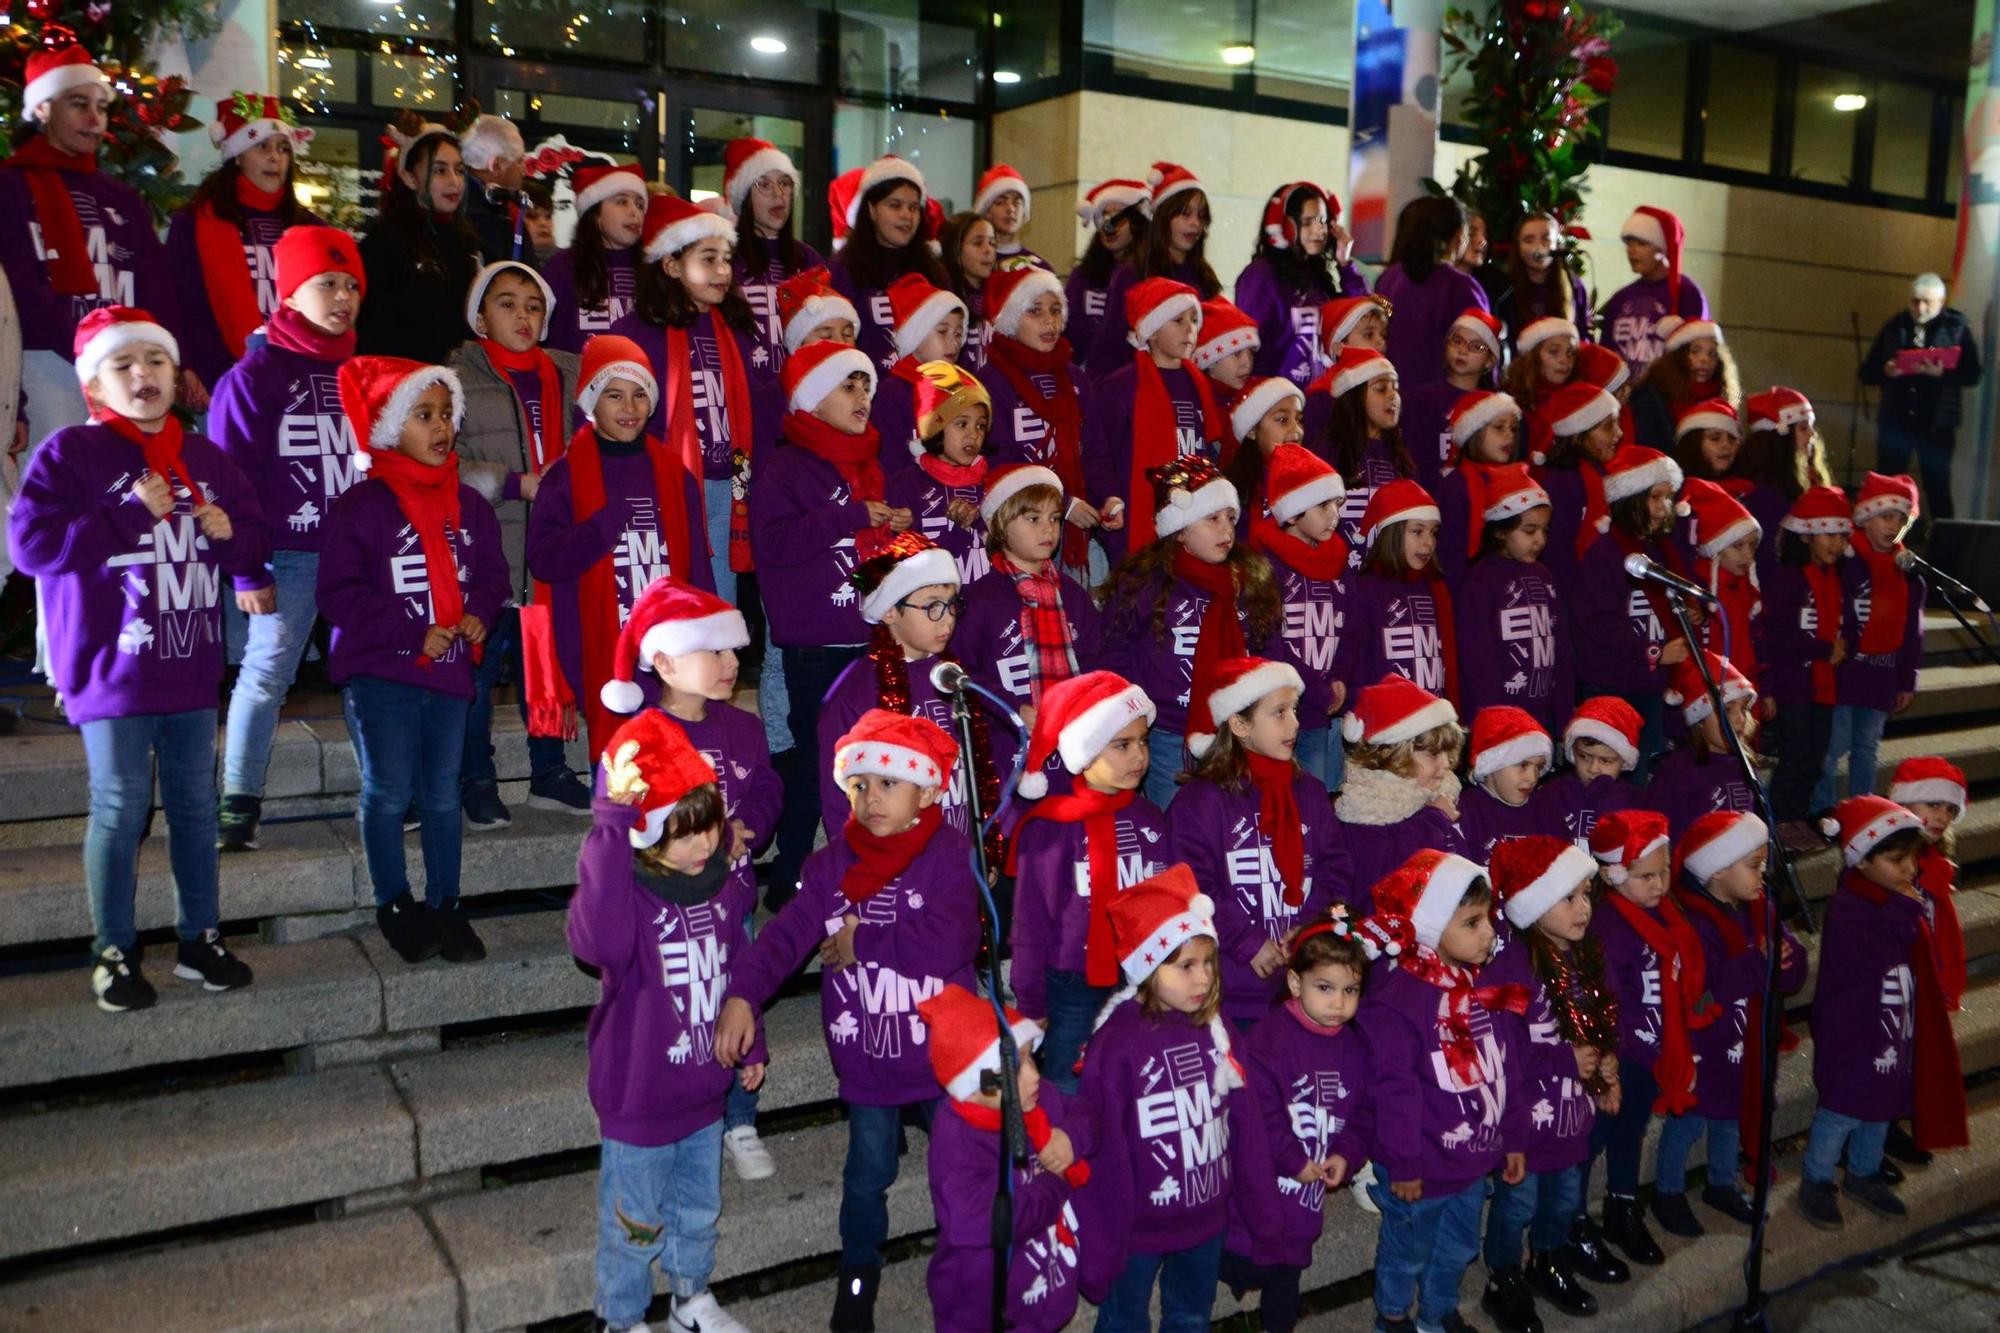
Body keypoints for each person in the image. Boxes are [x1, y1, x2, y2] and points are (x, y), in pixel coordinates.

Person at [8, 307, 268, 1011]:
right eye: (123, 365)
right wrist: (127, 513)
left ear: (175, 375)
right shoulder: (71, 453)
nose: (142, 376)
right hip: (112, 670)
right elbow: (31, 549)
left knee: (192, 806)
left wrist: (230, 537)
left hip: (188, 664)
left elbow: (251, 546)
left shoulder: (205, 457)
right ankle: (114, 949)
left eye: (155, 361)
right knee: (121, 807)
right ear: (95, 382)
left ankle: (200, 938)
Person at [717, 710, 981, 1331]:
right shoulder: (832, 866)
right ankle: (858, 1278)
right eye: (859, 785)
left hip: (944, 1059)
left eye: (889, 783)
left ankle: (967, 1276)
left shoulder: (947, 855)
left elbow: (954, 940)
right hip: (870, 1060)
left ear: (927, 791)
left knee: (960, 1175)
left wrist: (867, 944)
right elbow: (785, 938)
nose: (870, 797)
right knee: (867, 1178)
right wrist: (742, 993)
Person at [571, 709, 761, 1333]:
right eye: (684, 833)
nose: (704, 843)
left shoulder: (724, 885)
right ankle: (621, 1318)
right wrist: (608, 830)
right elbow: (596, 941)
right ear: (647, 836)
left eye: (708, 826)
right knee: (633, 1222)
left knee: (698, 1209)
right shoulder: (628, 895)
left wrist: (749, 1033)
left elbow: (738, 966)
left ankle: (690, 1299)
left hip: (704, 1094)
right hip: (640, 1096)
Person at [595, 575, 784, 1183]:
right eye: (716, 651)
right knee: (684, 1010)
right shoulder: (639, 739)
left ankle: (741, 1117)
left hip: (734, 901)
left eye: (734, 651)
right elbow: (616, 825)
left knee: (738, 1000)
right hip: (664, 915)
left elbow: (766, 787)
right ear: (667, 661)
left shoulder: (743, 729)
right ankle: (682, 1113)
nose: (733, 663)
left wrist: (747, 822)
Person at [320, 355, 509, 964]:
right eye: (423, 414)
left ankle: (445, 903)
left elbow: (491, 575)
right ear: (388, 426)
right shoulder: (362, 506)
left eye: (446, 414)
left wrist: (479, 611)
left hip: (451, 673)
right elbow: (339, 594)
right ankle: (394, 901)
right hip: (384, 675)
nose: (440, 426)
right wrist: (410, 630)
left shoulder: (471, 506)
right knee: (388, 790)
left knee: (440, 792)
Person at [210, 228, 367, 852]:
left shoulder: (361, 371)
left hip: (358, 553)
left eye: (352, 285)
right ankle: (240, 799)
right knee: (267, 671)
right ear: (290, 293)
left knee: (367, 671)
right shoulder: (254, 376)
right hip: (290, 554)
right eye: (327, 283)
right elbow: (230, 481)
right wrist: (248, 569)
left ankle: (384, 790)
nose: (342, 296)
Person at [747, 340, 904, 905]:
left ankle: (865, 863)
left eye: (866, 385)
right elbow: (775, 544)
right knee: (818, 763)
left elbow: (866, 565)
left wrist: (894, 545)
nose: (863, 396)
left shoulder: (869, 464)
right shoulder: (786, 467)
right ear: (813, 399)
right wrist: (850, 516)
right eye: (848, 385)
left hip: (866, 638)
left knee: (868, 760)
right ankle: (789, 871)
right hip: (814, 643)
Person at [1074, 863, 1252, 1333]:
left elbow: (1244, 1123)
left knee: (1191, 1315)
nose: (1202, 979)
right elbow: (1103, 1143)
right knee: (1123, 1320)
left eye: (1208, 963)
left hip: (1206, 1217)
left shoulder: (1216, 1027)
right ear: (1149, 968)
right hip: (1140, 1227)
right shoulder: (1118, 1043)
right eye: (1186, 965)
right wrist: (1104, 1236)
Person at [1361, 850, 1528, 1333]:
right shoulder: (1399, 1003)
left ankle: (1438, 1313)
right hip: (1421, 1164)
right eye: (1472, 923)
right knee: (1407, 1251)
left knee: (1458, 1248)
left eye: (1488, 920)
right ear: (1431, 927)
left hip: (1471, 1162)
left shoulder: (1480, 991)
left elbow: (1505, 1069)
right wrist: (1405, 1162)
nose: (1490, 933)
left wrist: (1513, 1137)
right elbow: (1394, 1091)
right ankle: (1394, 1316)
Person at [524, 334, 710, 761]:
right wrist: (601, 527)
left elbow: (696, 563)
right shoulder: (566, 478)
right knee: (619, 763)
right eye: (614, 395)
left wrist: (707, 633)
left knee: (671, 755)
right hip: (599, 644)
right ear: (591, 401)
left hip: (667, 642)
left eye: (640, 395)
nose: (629, 408)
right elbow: (544, 558)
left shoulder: (673, 473)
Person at [448, 260, 587, 825]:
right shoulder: (456, 378)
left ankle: (550, 771)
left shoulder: (572, 373)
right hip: (491, 549)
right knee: (479, 674)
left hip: (555, 550)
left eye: (533, 306)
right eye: (506, 303)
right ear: (480, 317)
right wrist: (516, 483)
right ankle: (476, 778)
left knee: (545, 666)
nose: (523, 315)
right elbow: (440, 463)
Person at [1799, 796, 1968, 1230]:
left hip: (1891, 1027)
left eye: (1911, 859)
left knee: (1880, 1107)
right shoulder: (1849, 908)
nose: (1909, 869)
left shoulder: (1892, 899)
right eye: (1896, 860)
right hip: (1852, 1034)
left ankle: (1864, 1172)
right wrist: (1907, 909)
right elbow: (1871, 960)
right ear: (1862, 860)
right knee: (1840, 1110)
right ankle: (1817, 1179)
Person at [0, 42, 182, 440]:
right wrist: (86, 349)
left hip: (123, 364)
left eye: (101, 107)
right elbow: (18, 289)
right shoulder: (11, 187)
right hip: (45, 362)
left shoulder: (123, 199)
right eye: (78, 103)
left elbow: (154, 284)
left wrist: (157, 353)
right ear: (43, 109)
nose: (93, 118)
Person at [1482, 837, 1623, 1325]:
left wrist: (1606, 1067)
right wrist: (1566, 1059)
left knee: (1564, 1199)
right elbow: (1504, 1049)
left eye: (1587, 895)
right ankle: (1504, 1275)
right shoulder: (1512, 970)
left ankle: (1546, 1259)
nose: (1583, 908)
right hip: (1526, 1121)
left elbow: (1600, 1027)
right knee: (1517, 1204)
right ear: (1535, 903)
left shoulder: (1585, 961)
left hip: (1572, 1117)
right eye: (1568, 897)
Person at [1170, 654, 1350, 1028]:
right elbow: (1190, 884)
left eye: (1295, 710)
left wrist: (1307, 928)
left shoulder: (1309, 793)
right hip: (1230, 992)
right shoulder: (1201, 802)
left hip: (1301, 989)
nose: (1296, 723)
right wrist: (1246, 942)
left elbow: (1337, 868)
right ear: (1238, 723)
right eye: (1279, 712)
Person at [1005, 671, 1164, 1091]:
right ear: (1087, 752)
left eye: (1143, 742)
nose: (1139, 757)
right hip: (1072, 983)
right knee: (1066, 1079)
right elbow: (1030, 925)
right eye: (1122, 745)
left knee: (1132, 1077)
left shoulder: (1150, 819)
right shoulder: (1051, 829)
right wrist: (1031, 999)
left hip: (1140, 977)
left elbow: (1168, 904)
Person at [1096, 456, 1283, 808]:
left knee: (1232, 823)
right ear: (1179, 529)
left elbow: (1269, 651)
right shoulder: (1145, 584)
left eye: (1230, 518)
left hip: (1238, 733)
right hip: (1169, 732)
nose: (1226, 530)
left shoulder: (1249, 581)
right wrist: (1136, 710)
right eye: (1212, 519)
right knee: (1177, 821)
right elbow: (1116, 654)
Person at [1220, 914, 1373, 1333]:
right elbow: (1258, 1116)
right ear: (1294, 984)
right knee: (1242, 1256)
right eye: (1324, 988)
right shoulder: (1268, 1041)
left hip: (1305, 1198)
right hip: (1258, 1191)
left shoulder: (1356, 1047)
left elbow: (1363, 1113)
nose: (1338, 1003)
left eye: (1350, 990)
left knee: (1286, 1278)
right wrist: (1292, 1160)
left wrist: (1347, 1153)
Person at [609, 193, 763, 602]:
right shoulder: (634, 334)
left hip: (726, 488)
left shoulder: (734, 329)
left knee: (718, 602)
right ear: (672, 264)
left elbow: (753, 411)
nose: (722, 270)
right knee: (669, 600)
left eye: (726, 259)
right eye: (708, 259)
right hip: (664, 487)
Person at [1657, 812, 1804, 1238]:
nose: (1764, 873)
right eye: (1754, 865)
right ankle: (1668, 1190)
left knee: (1729, 1117)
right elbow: (1709, 986)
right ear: (1717, 871)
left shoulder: (1761, 910)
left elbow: (1791, 968)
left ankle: (1721, 1183)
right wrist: (1761, 961)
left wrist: (1782, 963)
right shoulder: (1696, 921)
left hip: (1746, 1040)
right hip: (1706, 1042)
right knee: (1687, 1122)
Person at [920, 984, 1093, 1333]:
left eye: (1031, 1057)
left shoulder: (1037, 1099)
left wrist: (1071, 1139)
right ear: (975, 1083)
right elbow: (982, 1221)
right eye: (1013, 1068)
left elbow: (1088, 1114)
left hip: (1043, 1287)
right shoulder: (960, 1140)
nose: (1033, 1075)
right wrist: (1054, 1185)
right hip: (983, 1308)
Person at [815, 530, 1003, 852]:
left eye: (951, 605)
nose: (946, 620)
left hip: (958, 853)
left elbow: (980, 767)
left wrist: (986, 846)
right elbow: (840, 797)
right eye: (932, 607)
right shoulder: (857, 693)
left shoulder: (955, 676)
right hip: (897, 862)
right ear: (890, 611)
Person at [1580, 809, 1711, 1268]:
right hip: (1623, 1054)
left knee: (1631, 1132)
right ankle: (1573, 1218)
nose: (1658, 885)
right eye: (1645, 876)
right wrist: (1624, 1050)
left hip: (1654, 1048)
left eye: (1664, 873)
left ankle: (1622, 1205)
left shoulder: (1667, 917)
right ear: (1614, 875)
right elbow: (1609, 997)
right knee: (1595, 1137)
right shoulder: (1609, 926)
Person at [165, 93, 319, 390]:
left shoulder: (310, 228)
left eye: (283, 148)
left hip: (300, 376)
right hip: (221, 377)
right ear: (237, 155)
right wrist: (186, 365)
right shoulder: (194, 223)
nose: (275, 157)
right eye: (262, 147)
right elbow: (181, 303)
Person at [980, 263, 1111, 583]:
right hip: (1022, 528)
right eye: (1034, 311)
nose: (1049, 320)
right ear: (1011, 321)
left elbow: (1094, 453)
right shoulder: (991, 382)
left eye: (1055, 310)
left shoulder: (1076, 380)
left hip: (1077, 532)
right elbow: (999, 461)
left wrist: (1110, 496)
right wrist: (1063, 504)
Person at [955, 463, 1105, 736]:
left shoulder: (1071, 595)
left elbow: (1094, 660)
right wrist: (1011, 708)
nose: (1048, 529)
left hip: (1072, 734)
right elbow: (965, 674)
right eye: (1033, 519)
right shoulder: (979, 599)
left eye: (1055, 518)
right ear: (1000, 524)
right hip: (1005, 740)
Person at [1569, 445, 1691, 780]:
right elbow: (1597, 622)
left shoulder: (1659, 550)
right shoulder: (1606, 554)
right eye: (1655, 497)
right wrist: (1654, 651)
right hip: (1615, 682)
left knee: (1646, 768)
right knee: (1617, 773)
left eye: (1668, 498)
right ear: (1631, 498)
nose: (1663, 508)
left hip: (1651, 681)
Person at [1087, 278, 1228, 565]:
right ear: (1151, 332)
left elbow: (1212, 451)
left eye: (1193, 320)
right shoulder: (1122, 387)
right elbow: (1099, 455)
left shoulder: (1201, 384)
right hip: (1139, 515)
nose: (1190, 329)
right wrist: (1110, 497)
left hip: (1193, 516)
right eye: (1178, 320)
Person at [1813, 473, 1925, 813]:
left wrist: (1906, 679)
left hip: (1883, 672)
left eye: (1901, 520)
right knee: (1834, 746)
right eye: (1885, 517)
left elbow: (1912, 632)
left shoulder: (1907, 570)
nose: (1893, 527)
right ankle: (1824, 810)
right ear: (1865, 517)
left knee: (1867, 747)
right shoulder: (1845, 562)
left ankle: (1862, 809)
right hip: (1847, 671)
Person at [1245, 442, 1349, 790]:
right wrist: (1315, 689)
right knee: (1287, 796)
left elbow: (1353, 629)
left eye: (1337, 503)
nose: (1334, 514)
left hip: (1328, 708)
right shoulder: (1266, 568)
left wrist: (1339, 679)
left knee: (1321, 796)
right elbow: (1268, 642)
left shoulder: (1339, 562)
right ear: (1291, 514)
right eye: (1322, 505)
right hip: (1287, 708)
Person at [1759, 486, 1851, 842]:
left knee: (1815, 757)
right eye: (1829, 534)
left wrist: (1841, 646)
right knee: (1795, 756)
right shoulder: (1790, 578)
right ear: (1808, 534)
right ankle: (1780, 819)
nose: (1837, 543)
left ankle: (1797, 816)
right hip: (1795, 684)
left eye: (1843, 536)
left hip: (1823, 684)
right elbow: (1779, 636)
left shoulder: (1834, 578)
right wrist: (1824, 648)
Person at [1455, 463, 1573, 735]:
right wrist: (1496, 718)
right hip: (1498, 720)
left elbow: (1561, 649)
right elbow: (1477, 658)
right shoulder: (1481, 581)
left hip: (1540, 716)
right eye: (1530, 531)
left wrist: (1564, 713)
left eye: (1545, 530)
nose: (1540, 540)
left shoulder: (1546, 577)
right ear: (1500, 531)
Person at [1331, 676, 1467, 912]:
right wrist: (1434, 819)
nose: (1446, 764)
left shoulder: (1444, 794)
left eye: (1448, 753)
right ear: (1395, 755)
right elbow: (1393, 878)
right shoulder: (1367, 810)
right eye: (1433, 754)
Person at [1859, 272, 1983, 522]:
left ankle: (1945, 551)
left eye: (1928, 302)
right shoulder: (1895, 325)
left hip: (1936, 423)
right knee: (1888, 484)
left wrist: (1943, 373)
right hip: (1896, 419)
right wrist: (1886, 369)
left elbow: (1972, 373)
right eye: (1915, 301)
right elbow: (1867, 372)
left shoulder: (1956, 327)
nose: (1920, 307)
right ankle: (1883, 546)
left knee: (1937, 486)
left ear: (1941, 301)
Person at [356, 119, 481, 364]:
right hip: (403, 383)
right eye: (439, 170)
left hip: (459, 382)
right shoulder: (384, 241)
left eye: (459, 170)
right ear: (409, 177)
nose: (454, 181)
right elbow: (372, 329)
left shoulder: (468, 239)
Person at [1084, 162, 1223, 381]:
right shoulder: (1133, 273)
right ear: (1162, 217)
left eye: (1201, 216)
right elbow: (1107, 351)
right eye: (1185, 214)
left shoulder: (1203, 275)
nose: (1195, 223)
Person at [1330, 479, 1457, 705]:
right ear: (1391, 534)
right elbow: (1353, 655)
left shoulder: (1435, 588)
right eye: (1417, 532)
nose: (1428, 543)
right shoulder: (1367, 590)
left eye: (1433, 533)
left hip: (1432, 717)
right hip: (1386, 724)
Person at [1232, 181, 1369, 389]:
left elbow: (1371, 316)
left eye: (1323, 220)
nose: (1319, 229)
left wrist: (1345, 265)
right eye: (1308, 222)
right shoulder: (1260, 276)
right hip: (1277, 405)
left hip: (1317, 403)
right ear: (1281, 227)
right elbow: (1249, 349)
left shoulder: (1320, 277)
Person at [829, 155, 951, 372]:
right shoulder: (842, 271)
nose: (906, 216)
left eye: (913, 208)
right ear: (871, 210)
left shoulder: (934, 273)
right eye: (895, 205)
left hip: (926, 395)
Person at [884, 360, 993, 584]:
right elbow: (890, 565)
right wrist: (957, 531)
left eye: (980, 425)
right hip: (931, 610)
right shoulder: (906, 486)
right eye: (962, 424)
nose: (973, 435)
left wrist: (981, 524)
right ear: (936, 429)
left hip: (987, 609)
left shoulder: (993, 483)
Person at [722, 137, 823, 376]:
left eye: (785, 183)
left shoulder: (809, 260)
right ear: (744, 197)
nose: (778, 194)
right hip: (743, 393)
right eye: (764, 185)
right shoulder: (724, 258)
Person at [1371, 195, 1491, 392]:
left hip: (1391, 396)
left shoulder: (1389, 278)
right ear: (1460, 236)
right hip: (1445, 403)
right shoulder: (1462, 287)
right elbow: (1481, 350)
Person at [1316, 346, 1414, 566]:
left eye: (1395, 388)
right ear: (1354, 397)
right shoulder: (1327, 451)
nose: (1393, 396)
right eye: (1381, 389)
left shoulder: (1402, 456)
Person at [541, 163, 648, 354]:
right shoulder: (562, 268)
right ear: (594, 214)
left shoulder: (653, 270)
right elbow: (550, 341)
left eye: (640, 205)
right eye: (622, 202)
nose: (635, 212)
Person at [869, 272, 969, 476]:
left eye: (958, 333)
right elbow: (889, 463)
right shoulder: (892, 394)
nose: (954, 343)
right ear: (916, 336)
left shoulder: (961, 390)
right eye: (942, 331)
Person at [1528, 381, 1622, 589]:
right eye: (1608, 427)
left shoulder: (1600, 473)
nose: (1619, 433)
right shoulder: (1563, 481)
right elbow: (1558, 548)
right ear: (1579, 434)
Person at [1401, 308, 1502, 492]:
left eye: (1476, 346)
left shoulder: (1494, 407)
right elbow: (1414, 456)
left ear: (1489, 361)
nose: (1463, 351)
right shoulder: (1425, 399)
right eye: (1457, 341)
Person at [1601, 206, 1707, 376]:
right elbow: (1606, 355)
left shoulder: (1687, 293)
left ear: (1661, 248)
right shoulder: (1621, 298)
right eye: (1629, 243)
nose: (1632, 251)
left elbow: (1701, 350)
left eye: (1642, 244)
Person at [1433, 388, 1524, 585]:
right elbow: (1451, 555)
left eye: (1514, 428)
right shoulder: (1455, 486)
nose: (1509, 435)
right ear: (1473, 432)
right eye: (1499, 427)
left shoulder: (1521, 482)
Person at [1678, 473, 1762, 683]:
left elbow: (1758, 640)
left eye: (1752, 545)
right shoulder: (1696, 589)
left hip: (1745, 686)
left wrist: (1766, 685)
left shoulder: (1748, 589)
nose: (1748, 556)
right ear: (1715, 549)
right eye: (1737, 546)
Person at [1457, 706, 1564, 864]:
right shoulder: (1466, 811)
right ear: (1492, 765)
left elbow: (1566, 866)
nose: (1533, 777)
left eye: (1539, 767)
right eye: (1523, 765)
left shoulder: (1546, 810)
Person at [1064, 178, 1149, 371]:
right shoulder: (1082, 275)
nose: (1110, 223)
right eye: (1104, 215)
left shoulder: (1146, 273)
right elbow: (1069, 324)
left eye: (1118, 215)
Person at [1543, 697, 1645, 850]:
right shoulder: (1551, 795)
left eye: (1606, 761)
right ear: (1572, 753)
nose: (1593, 769)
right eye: (1584, 757)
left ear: (1624, 761)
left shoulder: (1635, 803)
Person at [1627, 317, 1739, 452]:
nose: (1705, 360)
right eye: (1695, 351)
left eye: (1712, 354)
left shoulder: (1722, 398)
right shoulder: (1651, 396)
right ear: (1678, 356)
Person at [1494, 210, 1592, 354]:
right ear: (1519, 248)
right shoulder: (1505, 288)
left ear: (1556, 245)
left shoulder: (1573, 285)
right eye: (1529, 240)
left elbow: (1583, 336)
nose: (1538, 246)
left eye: (1546, 239)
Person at [458, 113, 530, 264]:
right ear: (496, 165)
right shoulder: (472, 218)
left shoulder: (502, 209)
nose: (524, 170)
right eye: (520, 161)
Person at [938, 211, 998, 372]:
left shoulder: (999, 296)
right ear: (956, 249)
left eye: (992, 243)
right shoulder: (944, 300)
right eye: (978, 243)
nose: (988, 250)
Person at [972, 163, 1046, 267]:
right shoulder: (975, 265)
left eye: (1017, 203)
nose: (1011, 209)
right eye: (1000, 202)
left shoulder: (1038, 267)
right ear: (986, 211)